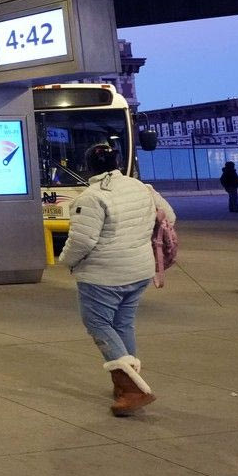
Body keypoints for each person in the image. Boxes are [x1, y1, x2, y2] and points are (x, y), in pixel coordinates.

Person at [59, 142, 175, 417]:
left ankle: (134, 390)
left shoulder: (91, 197)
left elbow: (82, 241)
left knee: (98, 323)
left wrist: (66, 261)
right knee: (123, 323)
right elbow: (169, 216)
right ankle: (125, 385)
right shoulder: (142, 188)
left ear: (88, 166)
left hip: (103, 274)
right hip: (140, 270)